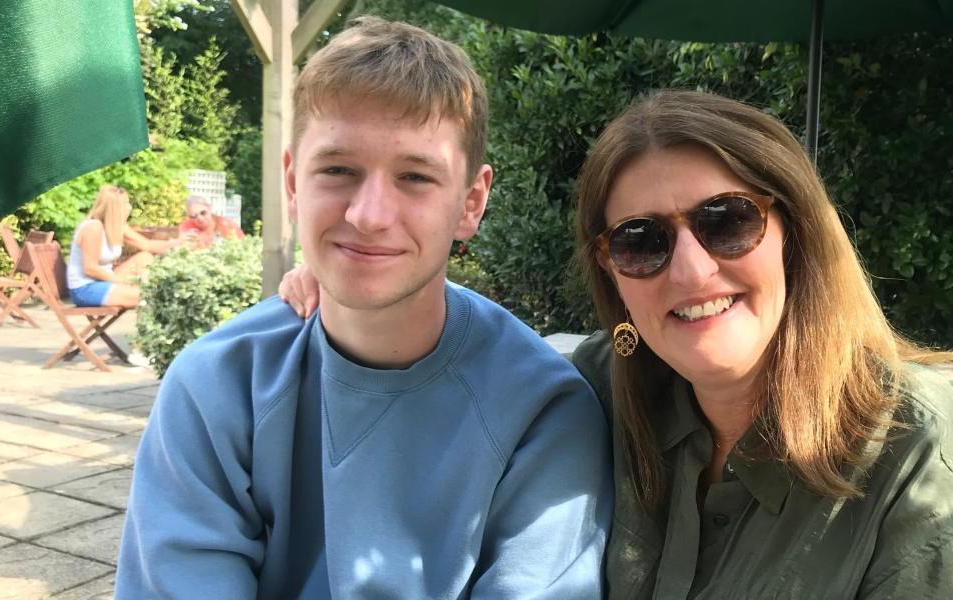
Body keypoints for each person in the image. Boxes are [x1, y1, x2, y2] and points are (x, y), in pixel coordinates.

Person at [282, 89, 953, 598]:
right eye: (642, 242)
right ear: (612, 272)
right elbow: (453, 372)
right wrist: (356, 282)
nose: (691, 270)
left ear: (795, 233)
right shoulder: (599, 390)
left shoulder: (919, 456)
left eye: (727, 222)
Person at [115, 17, 611, 599]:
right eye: (339, 170)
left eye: (415, 177)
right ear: (294, 182)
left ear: (471, 203)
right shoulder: (215, 384)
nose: (369, 214)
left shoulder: (543, 410)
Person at [67, 184, 184, 307]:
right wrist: (122, 281)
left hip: (104, 281)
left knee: (145, 257)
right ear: (116, 208)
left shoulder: (117, 226)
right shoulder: (93, 228)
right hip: (85, 289)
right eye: (126, 204)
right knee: (147, 295)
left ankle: (145, 290)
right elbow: (90, 268)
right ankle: (144, 305)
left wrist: (177, 244)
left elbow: (147, 245)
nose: (129, 207)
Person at [179, 194, 244, 248]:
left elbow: (242, 247)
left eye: (203, 213)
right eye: (193, 216)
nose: (200, 218)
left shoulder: (226, 225)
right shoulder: (186, 225)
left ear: (210, 208)